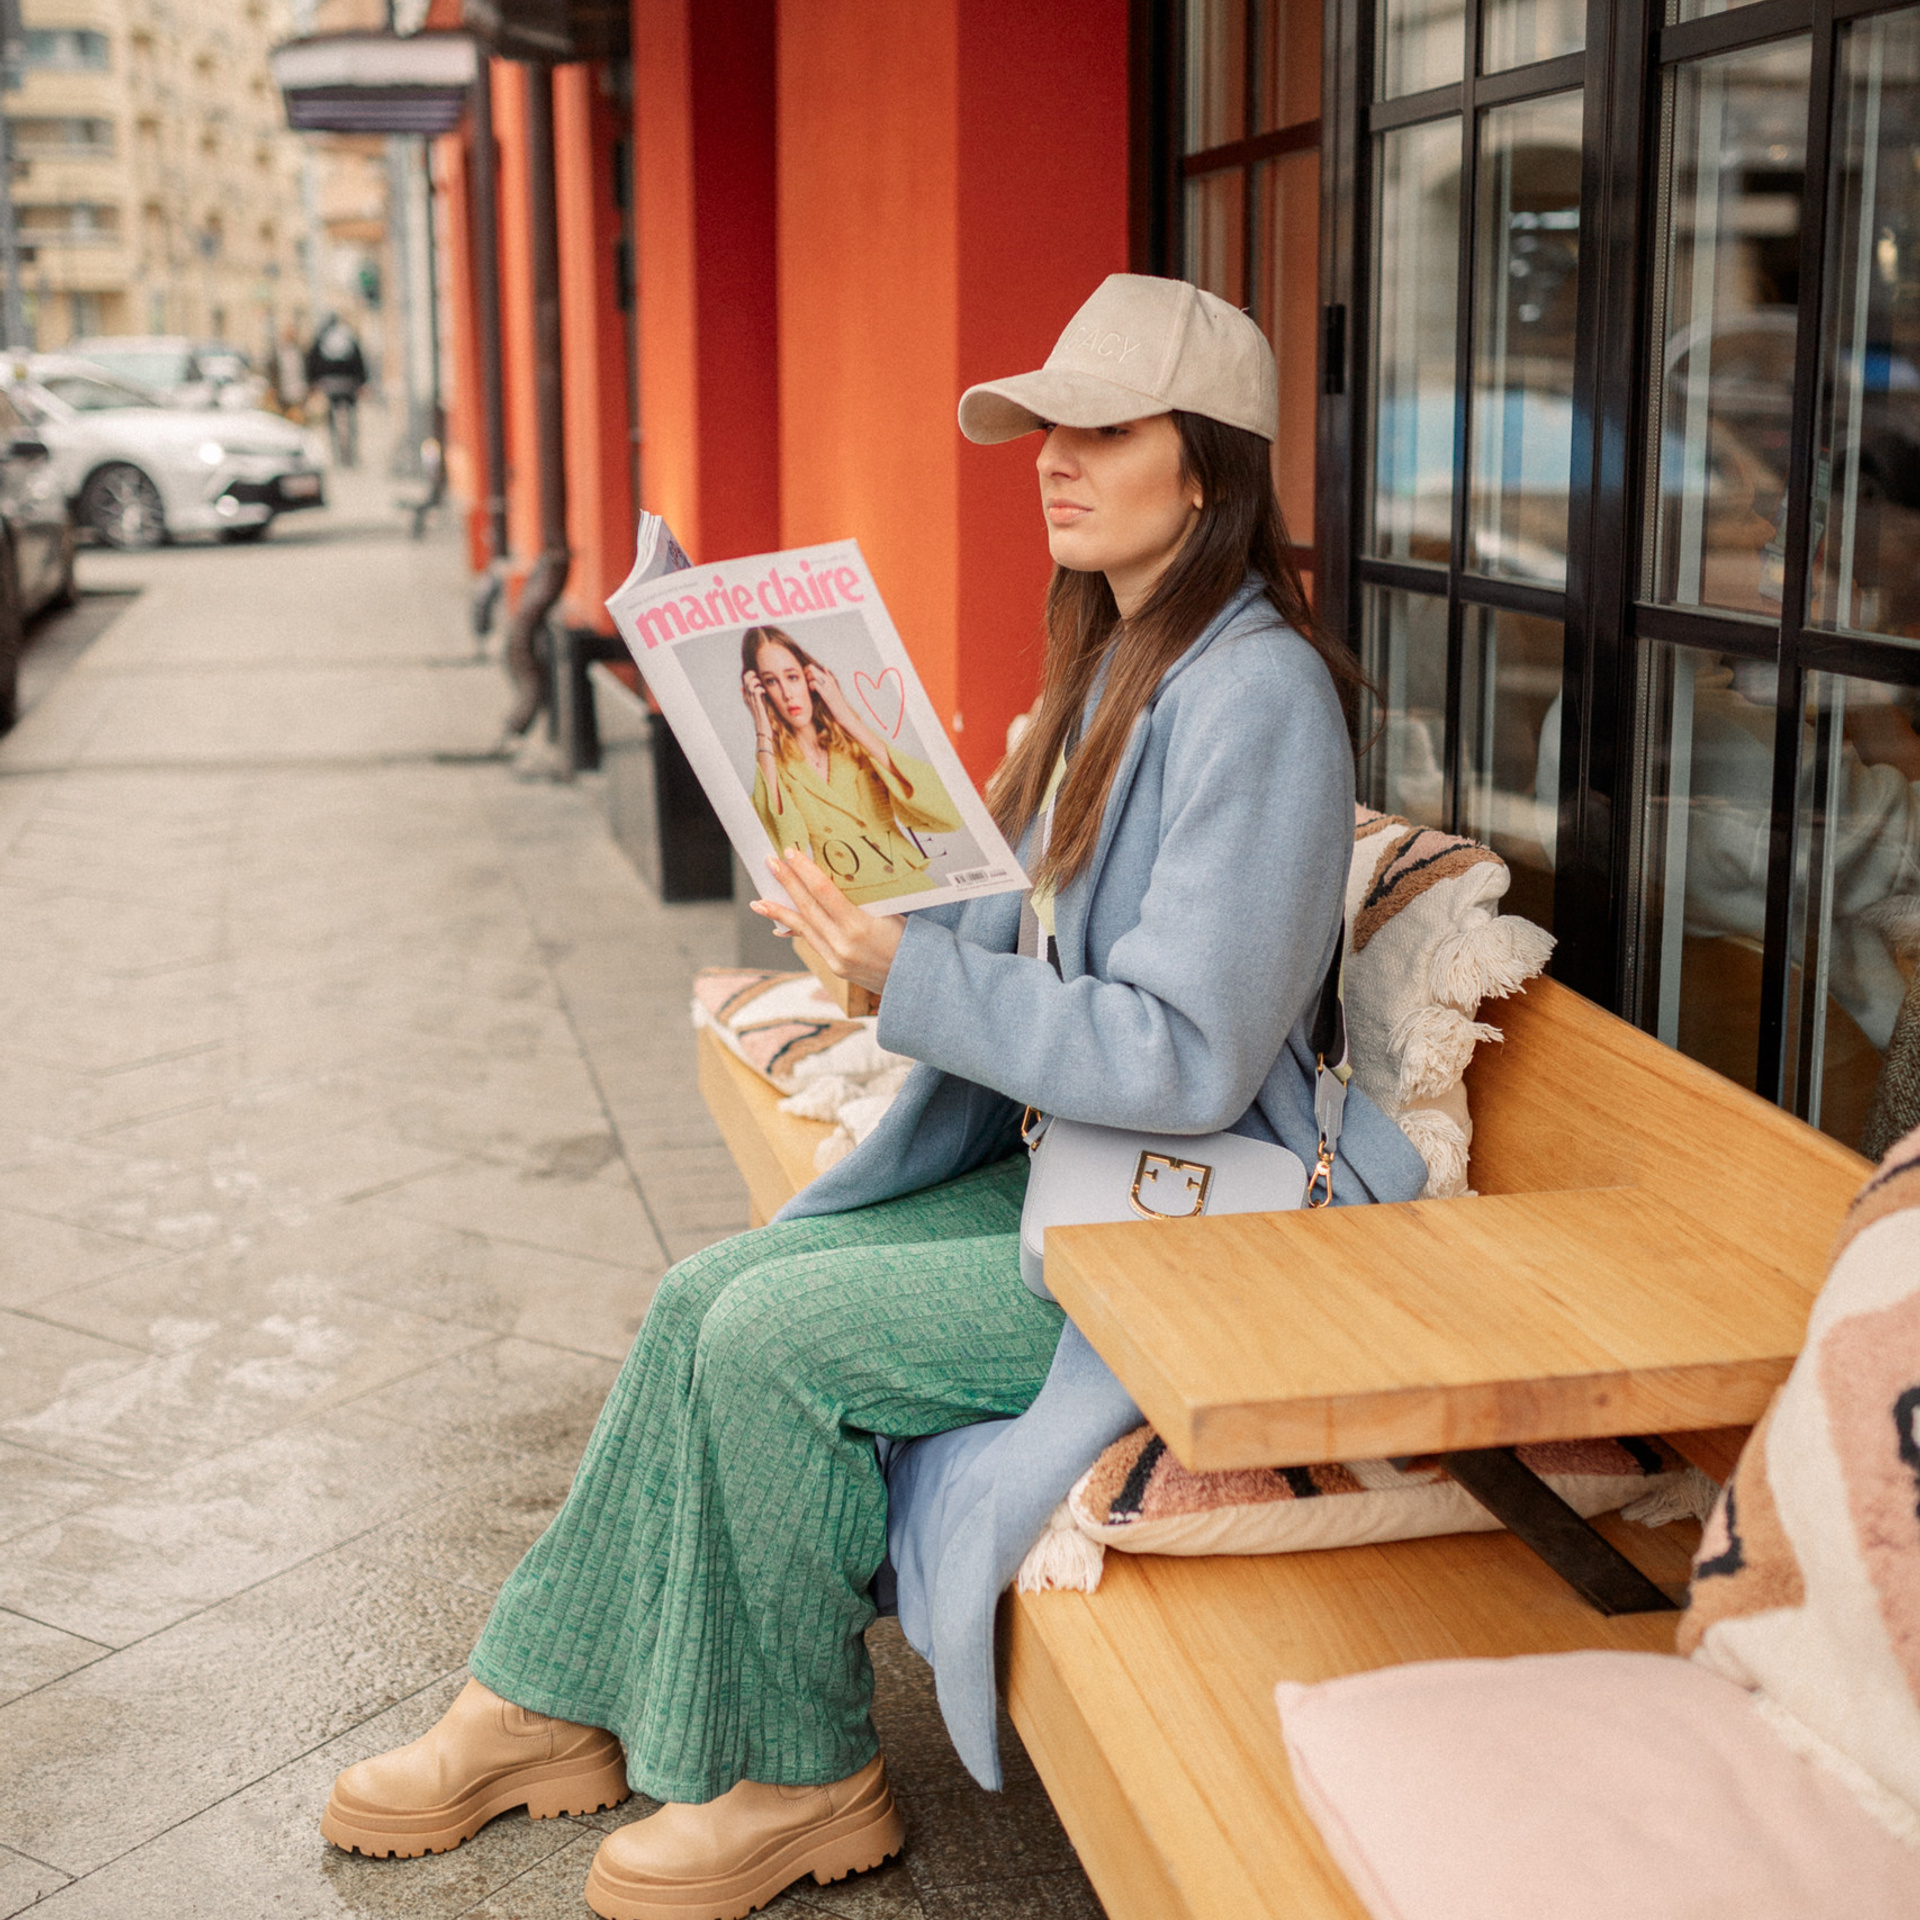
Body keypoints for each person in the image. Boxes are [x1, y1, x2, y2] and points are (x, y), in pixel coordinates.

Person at [319, 275, 1427, 1920]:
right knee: (706, 1294)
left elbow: (1190, 1059)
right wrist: (848, 886)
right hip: (1070, 1175)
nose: (1052, 460)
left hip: (1185, 1230)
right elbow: (1014, 930)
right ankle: (542, 1697)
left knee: (777, 1340)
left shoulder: (1257, 695)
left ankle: (802, 1777)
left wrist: (906, 979)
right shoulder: (1120, 664)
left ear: (1208, 468)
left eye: (1101, 430)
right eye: (1042, 430)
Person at [742, 625, 965, 904]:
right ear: (760, 692)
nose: (787, 693)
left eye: (792, 677)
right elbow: (787, 848)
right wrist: (762, 732)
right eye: (771, 681)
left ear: (809, 679)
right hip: (844, 900)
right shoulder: (777, 768)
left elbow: (949, 814)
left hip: (910, 884)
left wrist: (846, 716)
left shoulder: (855, 746)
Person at [306, 313, 367, 467]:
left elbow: (313, 360)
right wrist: (362, 382)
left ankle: (338, 455)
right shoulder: (348, 337)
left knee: (332, 422)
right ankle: (351, 454)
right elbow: (358, 360)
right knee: (351, 421)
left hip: (329, 385)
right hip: (349, 384)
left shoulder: (322, 338)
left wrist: (314, 381)